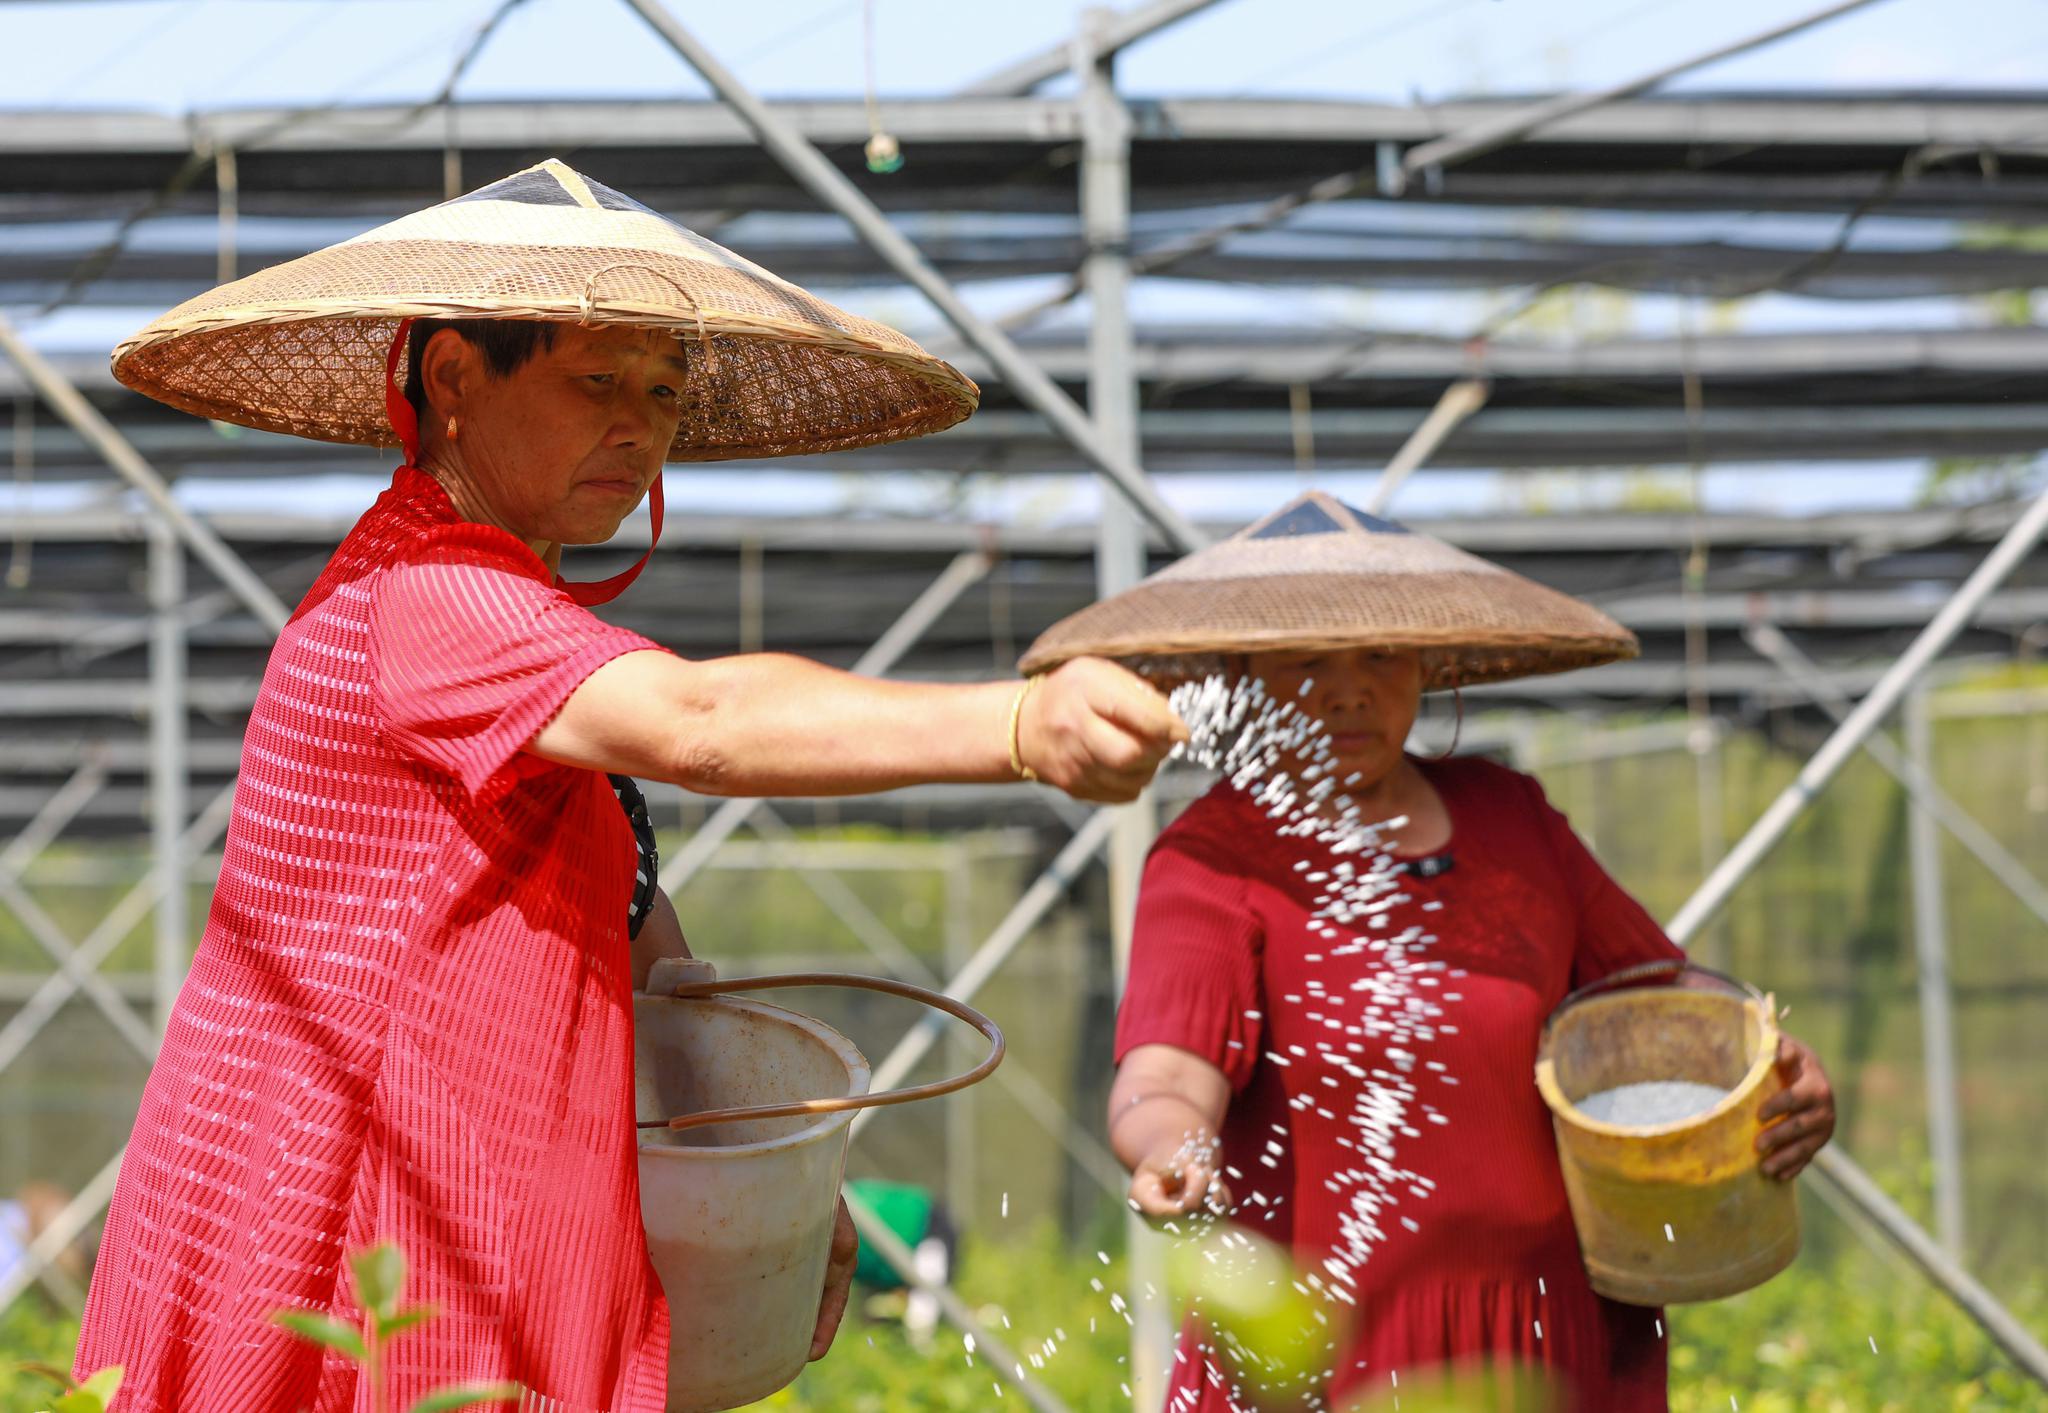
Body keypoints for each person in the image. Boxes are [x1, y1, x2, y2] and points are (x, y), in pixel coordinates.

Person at [74, 161, 1185, 1413]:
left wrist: (775, 1173)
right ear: (450, 380)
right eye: (595, 381)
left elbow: (638, 935)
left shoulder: (504, 629)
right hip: (354, 1228)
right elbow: (700, 721)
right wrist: (1021, 723)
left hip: (465, 1222)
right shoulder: (431, 597)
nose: (640, 427)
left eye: (663, 391)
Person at [1034, 494, 1838, 1411]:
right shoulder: (1218, 857)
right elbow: (1168, 1072)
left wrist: (1774, 1070)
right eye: (1306, 660)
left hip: (1544, 1334)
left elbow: (1661, 999)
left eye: (1381, 654)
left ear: (1429, 663)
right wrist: (1172, 1149)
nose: (1348, 688)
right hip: (1331, 1350)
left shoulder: (1512, 818)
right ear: (1241, 672)